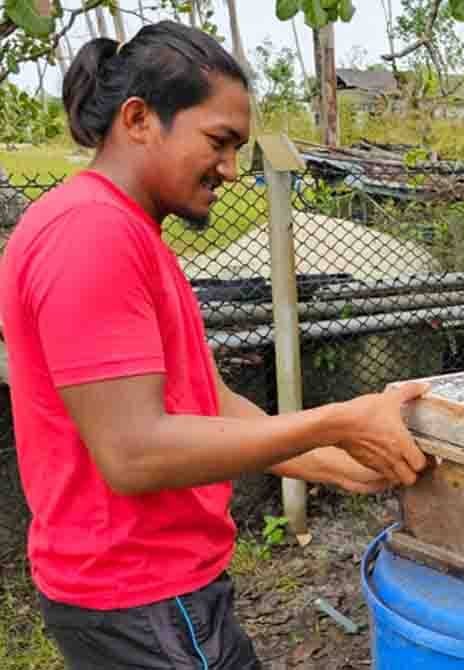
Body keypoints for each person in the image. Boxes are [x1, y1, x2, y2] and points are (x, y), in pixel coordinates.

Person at [0, 22, 429, 670]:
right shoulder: (91, 236)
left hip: (157, 593)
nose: (231, 169)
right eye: (218, 142)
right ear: (139, 119)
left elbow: (212, 404)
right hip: (141, 600)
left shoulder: (130, 232)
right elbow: (133, 453)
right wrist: (343, 417)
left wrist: (339, 459)